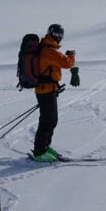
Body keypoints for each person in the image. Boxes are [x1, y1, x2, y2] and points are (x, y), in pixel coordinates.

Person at [31, 23, 76, 163]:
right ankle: (39, 152)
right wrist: (72, 56)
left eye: (60, 35)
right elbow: (67, 64)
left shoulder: (47, 49)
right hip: (46, 90)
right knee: (47, 121)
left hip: (48, 90)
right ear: (50, 33)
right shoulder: (49, 51)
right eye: (56, 34)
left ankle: (44, 147)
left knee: (51, 120)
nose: (58, 37)